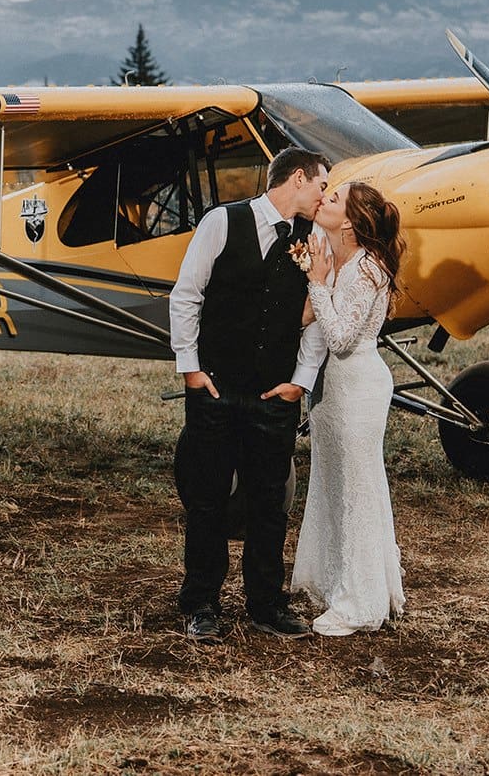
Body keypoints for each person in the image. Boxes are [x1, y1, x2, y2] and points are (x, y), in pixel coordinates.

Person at [168, 146, 331, 641]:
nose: (325, 195)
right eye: (322, 184)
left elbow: (316, 314)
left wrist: (300, 381)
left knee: (269, 505)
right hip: (215, 389)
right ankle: (200, 604)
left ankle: (267, 605)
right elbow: (187, 294)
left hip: (275, 394)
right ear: (298, 178)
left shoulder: (314, 239)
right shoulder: (222, 221)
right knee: (207, 500)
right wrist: (190, 369)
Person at [291, 181, 407, 636]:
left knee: (357, 490)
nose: (325, 199)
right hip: (332, 392)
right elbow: (311, 320)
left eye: (335, 199)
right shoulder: (339, 260)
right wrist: (315, 276)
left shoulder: (367, 268)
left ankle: (360, 602)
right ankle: (337, 579)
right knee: (335, 486)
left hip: (357, 389)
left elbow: (340, 339)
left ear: (351, 223)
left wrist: (317, 283)